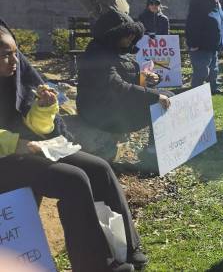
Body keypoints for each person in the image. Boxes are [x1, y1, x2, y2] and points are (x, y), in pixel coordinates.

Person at [0, 20, 146, 272]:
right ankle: (95, 266)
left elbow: (35, 126)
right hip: (7, 159)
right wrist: (16, 144)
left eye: (16, 53)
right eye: (5, 55)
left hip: (28, 149)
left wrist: (43, 109)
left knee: (99, 168)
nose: (14, 61)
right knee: (73, 180)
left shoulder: (13, 78)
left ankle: (126, 248)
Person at [77, 11, 173, 163]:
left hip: (111, 103)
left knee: (168, 95)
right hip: (100, 112)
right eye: (128, 35)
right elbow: (117, 86)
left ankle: (156, 148)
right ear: (114, 34)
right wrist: (154, 96)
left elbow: (125, 79)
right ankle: (152, 153)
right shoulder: (97, 55)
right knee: (162, 101)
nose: (131, 39)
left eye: (133, 35)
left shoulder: (112, 49)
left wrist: (146, 78)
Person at [186, 0, 223, 95]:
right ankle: (196, 94)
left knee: (214, 69)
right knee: (201, 72)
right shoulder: (198, 2)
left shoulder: (215, 1)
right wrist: (193, 44)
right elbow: (192, 25)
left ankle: (213, 88)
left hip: (212, 44)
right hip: (201, 45)